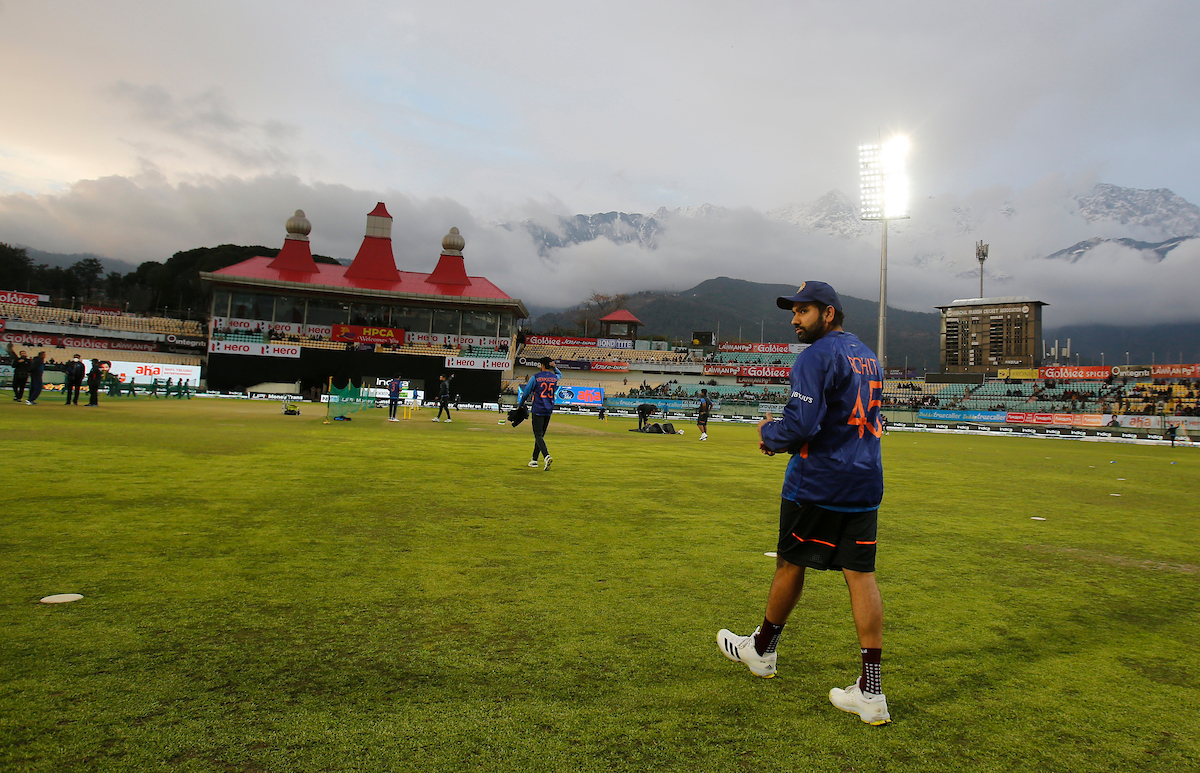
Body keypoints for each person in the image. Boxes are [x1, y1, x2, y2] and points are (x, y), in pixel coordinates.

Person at [716, 280, 890, 726]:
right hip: (865, 482)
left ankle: (762, 650)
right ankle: (871, 692)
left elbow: (801, 425)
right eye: (793, 312)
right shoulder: (868, 356)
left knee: (791, 563)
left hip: (818, 484)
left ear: (828, 313)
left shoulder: (815, 356)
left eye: (804, 311)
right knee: (862, 575)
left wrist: (768, 435)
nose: (795, 319)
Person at [516, 356, 561, 470]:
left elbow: (526, 393)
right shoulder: (554, 377)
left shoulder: (535, 377)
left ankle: (546, 456)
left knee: (538, 435)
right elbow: (560, 375)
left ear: (541, 365)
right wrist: (555, 368)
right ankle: (534, 460)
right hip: (549, 409)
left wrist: (520, 406)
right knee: (540, 436)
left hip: (538, 408)